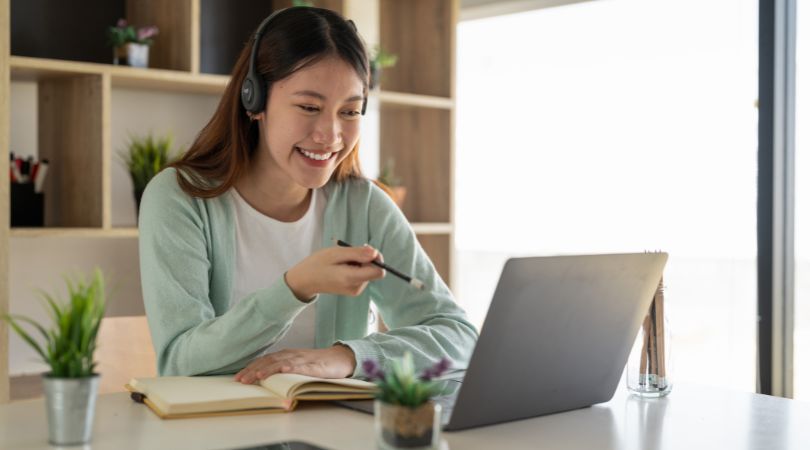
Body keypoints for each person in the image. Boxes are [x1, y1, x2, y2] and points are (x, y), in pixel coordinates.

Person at [138, 6, 477, 384]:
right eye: (309, 107)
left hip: (331, 433)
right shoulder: (179, 199)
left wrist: (348, 357)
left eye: (349, 112)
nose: (331, 135)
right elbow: (180, 362)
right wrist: (295, 288)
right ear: (255, 101)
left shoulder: (363, 205)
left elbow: (459, 337)